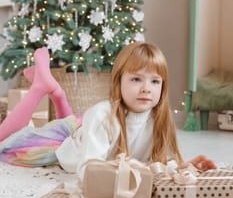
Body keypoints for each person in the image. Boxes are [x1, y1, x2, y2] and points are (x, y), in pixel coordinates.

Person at [0, 43, 216, 173]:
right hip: (61, 146)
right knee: (5, 145)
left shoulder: (159, 117)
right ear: (118, 82)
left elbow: (157, 163)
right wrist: (132, 166)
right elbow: (88, 169)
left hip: (81, 130)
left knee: (71, 127)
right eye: (136, 79)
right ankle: (41, 87)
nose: (146, 89)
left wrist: (180, 167)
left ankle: (56, 92)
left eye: (155, 82)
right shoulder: (102, 115)